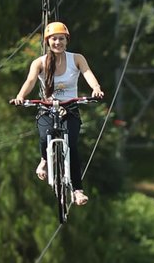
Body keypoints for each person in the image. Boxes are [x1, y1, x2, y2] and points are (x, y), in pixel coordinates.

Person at [10, 22, 105, 206]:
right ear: (48, 42)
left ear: (66, 40)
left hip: (70, 108)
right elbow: (30, 81)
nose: (57, 42)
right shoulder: (39, 63)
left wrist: (96, 89)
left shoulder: (77, 59)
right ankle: (44, 160)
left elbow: (88, 74)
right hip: (47, 108)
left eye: (61, 39)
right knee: (45, 137)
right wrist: (21, 96)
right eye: (54, 39)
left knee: (71, 143)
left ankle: (77, 191)